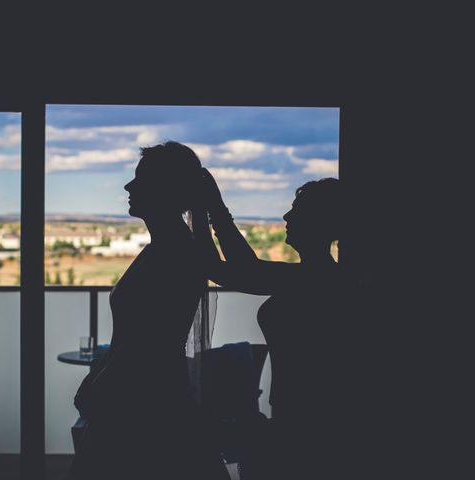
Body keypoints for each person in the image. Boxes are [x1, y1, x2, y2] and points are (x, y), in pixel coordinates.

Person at [67, 142, 230, 480]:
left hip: (140, 403)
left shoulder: (174, 253)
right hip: (141, 395)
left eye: (139, 179)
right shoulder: (166, 248)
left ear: (164, 190)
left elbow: (146, 345)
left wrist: (104, 382)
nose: (129, 187)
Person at [192, 169, 359, 479]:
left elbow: (235, 271)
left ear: (317, 222)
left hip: (308, 420)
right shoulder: (319, 277)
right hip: (303, 413)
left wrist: (212, 208)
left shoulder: (317, 280)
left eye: (296, 211)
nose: (286, 215)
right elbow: (236, 270)